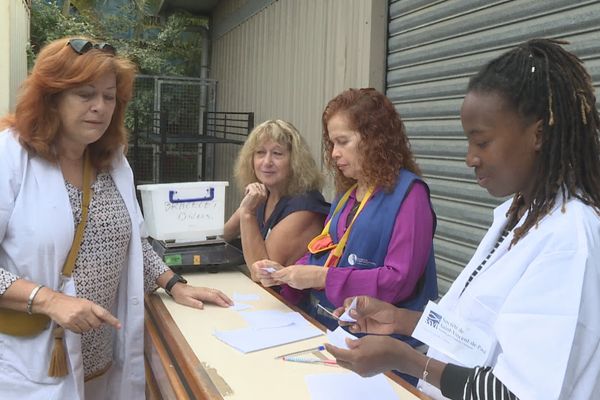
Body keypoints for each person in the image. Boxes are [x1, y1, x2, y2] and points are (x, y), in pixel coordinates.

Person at [325, 38, 600, 400]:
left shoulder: (568, 239)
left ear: (539, 134)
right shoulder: (520, 215)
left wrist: (408, 360)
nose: (470, 158)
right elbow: (478, 337)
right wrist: (402, 320)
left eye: (482, 142)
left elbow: (515, 393)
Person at [0, 37, 233, 400]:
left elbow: (134, 244)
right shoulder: (11, 156)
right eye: (85, 94)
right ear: (52, 97)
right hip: (31, 362)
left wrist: (174, 283)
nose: (100, 107)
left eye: (109, 97)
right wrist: (49, 300)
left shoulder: (112, 161)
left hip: (101, 360)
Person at [252, 89, 438, 341]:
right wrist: (288, 273)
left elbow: (399, 280)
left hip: (380, 345)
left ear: (375, 139)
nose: (334, 153)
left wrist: (322, 278)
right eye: (332, 143)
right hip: (328, 328)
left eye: (343, 141)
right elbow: (326, 252)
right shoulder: (348, 191)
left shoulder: (410, 194)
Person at [222, 119, 329, 273]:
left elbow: (263, 274)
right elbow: (221, 236)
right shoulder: (264, 193)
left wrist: (247, 213)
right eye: (260, 153)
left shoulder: (305, 208)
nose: (267, 162)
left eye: (277, 154)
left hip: (282, 296)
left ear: (295, 161)